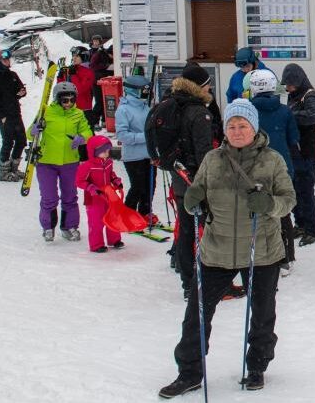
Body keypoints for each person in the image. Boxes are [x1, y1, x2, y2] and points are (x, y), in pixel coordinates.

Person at [158, 100, 295, 398]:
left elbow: (289, 199)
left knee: (262, 314)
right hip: (216, 249)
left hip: (260, 251)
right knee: (197, 313)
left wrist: (271, 205)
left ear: (254, 127)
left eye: (242, 125)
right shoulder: (212, 159)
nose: (236, 131)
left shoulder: (272, 161)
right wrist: (193, 198)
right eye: (232, 125)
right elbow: (200, 191)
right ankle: (189, 372)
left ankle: (257, 366)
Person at [146, 64, 217, 299]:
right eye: (208, 85)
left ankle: (188, 281)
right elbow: (204, 152)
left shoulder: (171, 102)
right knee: (207, 229)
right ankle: (205, 279)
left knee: (186, 229)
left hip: (178, 177)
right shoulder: (198, 112)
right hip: (196, 179)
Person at [248, 68, 300, 274]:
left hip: (252, 167)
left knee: (256, 212)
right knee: (283, 211)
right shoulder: (285, 111)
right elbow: (293, 138)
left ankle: (260, 255)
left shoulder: (247, 110)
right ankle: (286, 258)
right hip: (281, 167)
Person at [35, 81, 93, 242]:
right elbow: (29, 134)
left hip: (69, 162)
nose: (68, 104)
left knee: (70, 196)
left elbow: (87, 131)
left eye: (71, 100)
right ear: (57, 99)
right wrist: (34, 130)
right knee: (49, 197)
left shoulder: (78, 114)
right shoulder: (45, 113)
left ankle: (69, 226)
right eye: (64, 100)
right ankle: (48, 226)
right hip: (47, 161)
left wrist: (82, 138)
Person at [282, 63, 315, 246]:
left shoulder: (311, 95)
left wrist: (291, 116)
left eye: (290, 84)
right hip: (295, 151)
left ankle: (312, 229)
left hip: (307, 151)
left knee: (306, 191)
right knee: (295, 189)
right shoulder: (293, 95)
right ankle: (300, 223)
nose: (288, 87)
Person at [115, 74, 155, 223]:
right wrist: (145, 137)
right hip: (133, 156)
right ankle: (127, 215)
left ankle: (145, 212)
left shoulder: (145, 106)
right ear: (134, 91)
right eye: (144, 90)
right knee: (138, 186)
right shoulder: (123, 110)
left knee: (150, 186)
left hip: (149, 154)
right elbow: (122, 135)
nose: (147, 93)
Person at [76, 135, 125, 253]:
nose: (107, 154)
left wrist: (115, 180)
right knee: (96, 221)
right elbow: (79, 181)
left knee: (113, 217)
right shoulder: (87, 166)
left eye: (108, 151)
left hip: (109, 194)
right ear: (94, 152)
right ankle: (96, 244)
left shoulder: (108, 162)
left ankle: (114, 240)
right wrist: (90, 187)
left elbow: (110, 174)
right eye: (103, 152)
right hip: (94, 198)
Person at [0, 50, 27, 181]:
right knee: (8, 141)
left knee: (21, 140)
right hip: (4, 116)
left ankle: (14, 168)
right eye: (4, 60)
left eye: (8, 60)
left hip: (15, 112)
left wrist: (22, 92)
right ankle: (3, 171)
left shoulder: (12, 75)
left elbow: (19, 89)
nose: (8, 62)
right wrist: (1, 116)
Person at [87, 35, 113, 128]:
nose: (96, 42)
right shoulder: (94, 52)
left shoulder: (103, 51)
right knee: (99, 101)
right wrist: (106, 66)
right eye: (94, 41)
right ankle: (94, 121)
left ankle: (104, 120)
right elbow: (92, 65)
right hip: (96, 80)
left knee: (104, 101)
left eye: (97, 41)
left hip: (104, 80)